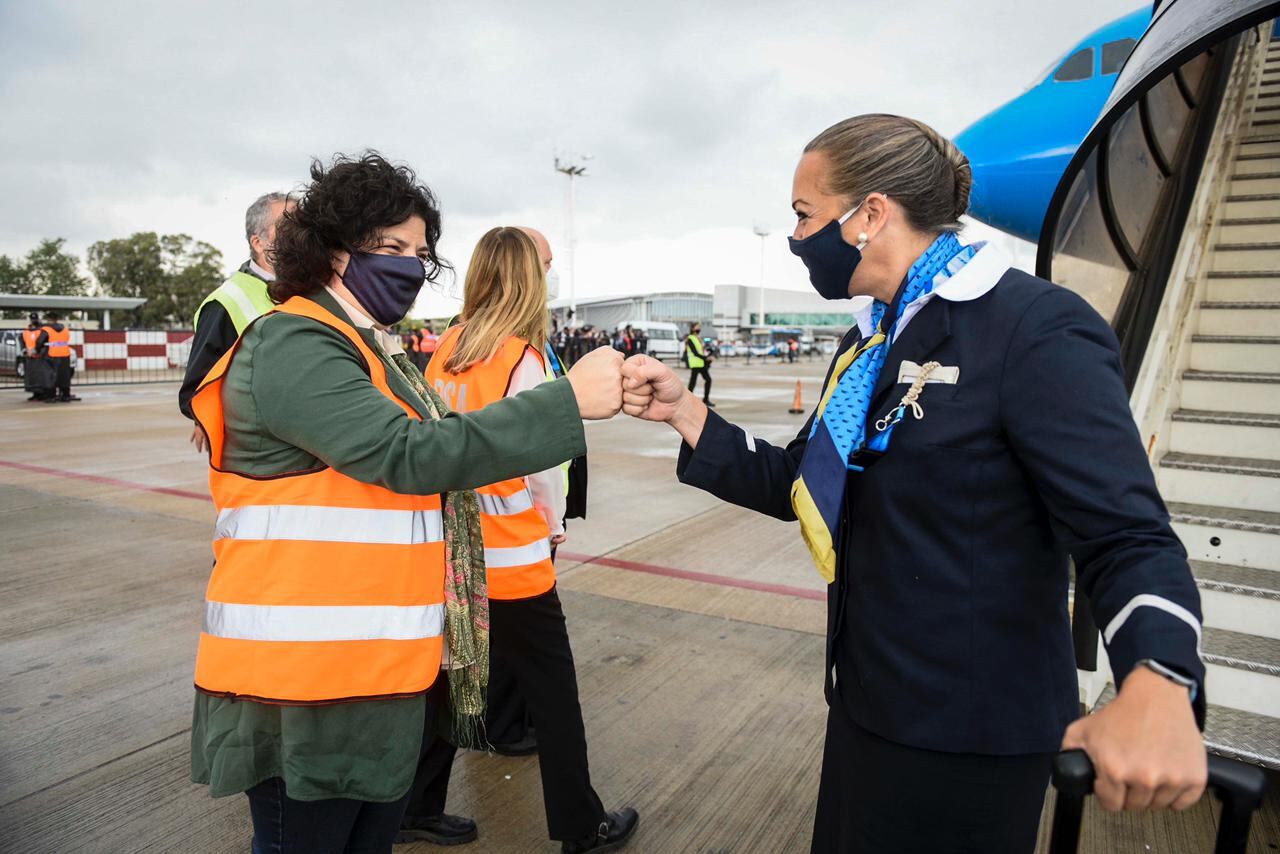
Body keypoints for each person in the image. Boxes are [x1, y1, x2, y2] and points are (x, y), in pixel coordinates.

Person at [620, 114, 1207, 854]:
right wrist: (687, 413)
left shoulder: (1033, 327)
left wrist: (1157, 677)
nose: (796, 236)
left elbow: (1126, 534)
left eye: (804, 215)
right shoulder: (873, 338)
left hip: (971, 736)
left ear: (869, 214)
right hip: (870, 703)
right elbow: (808, 484)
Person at [187, 153, 626, 854]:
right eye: (390, 247)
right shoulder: (295, 341)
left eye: (420, 253)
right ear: (333, 247)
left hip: (371, 668)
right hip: (302, 678)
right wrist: (563, 403)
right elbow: (406, 455)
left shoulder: (370, 348)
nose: (411, 266)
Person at [421, 226, 637, 854]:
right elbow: (543, 462)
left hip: (454, 548)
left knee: (450, 680)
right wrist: (553, 523)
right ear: (526, 279)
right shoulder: (525, 356)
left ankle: (417, 806)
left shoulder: (448, 348)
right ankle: (580, 826)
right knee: (556, 698)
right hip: (513, 551)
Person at [179, 192, 293, 447]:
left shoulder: (310, 290)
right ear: (258, 242)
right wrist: (205, 420)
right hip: (262, 451)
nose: (301, 234)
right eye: (287, 225)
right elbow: (198, 388)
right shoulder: (226, 303)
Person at [38, 312, 78, 403]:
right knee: (64, 375)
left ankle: (51, 396)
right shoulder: (65, 329)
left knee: (49, 375)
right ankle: (65, 395)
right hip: (64, 353)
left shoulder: (46, 329)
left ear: (49, 319)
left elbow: (40, 342)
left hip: (50, 354)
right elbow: (66, 339)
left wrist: (38, 349)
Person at [21, 312, 53, 401]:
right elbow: (23, 342)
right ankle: (35, 393)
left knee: (40, 376)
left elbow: (43, 342)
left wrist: (37, 350)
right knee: (32, 376)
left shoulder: (42, 330)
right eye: (32, 319)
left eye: (35, 319)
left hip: (39, 355)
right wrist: (26, 350)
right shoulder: (26, 331)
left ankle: (42, 393)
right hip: (30, 355)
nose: (34, 321)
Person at [684, 323, 713, 408]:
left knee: (708, 380)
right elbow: (695, 352)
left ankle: (706, 399)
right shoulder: (690, 339)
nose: (699, 329)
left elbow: (702, 350)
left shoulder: (698, 338)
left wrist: (708, 355)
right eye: (697, 327)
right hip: (695, 363)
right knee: (692, 382)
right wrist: (705, 358)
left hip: (701, 363)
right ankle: (687, 400)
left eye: (699, 327)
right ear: (692, 328)